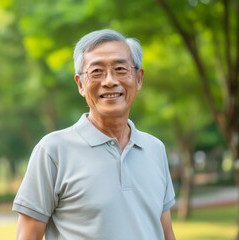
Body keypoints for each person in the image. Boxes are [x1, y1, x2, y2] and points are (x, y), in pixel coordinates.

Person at [12, 29, 176, 240]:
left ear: (138, 78)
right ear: (80, 84)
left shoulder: (155, 149)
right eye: (97, 71)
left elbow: (165, 232)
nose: (109, 81)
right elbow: (28, 236)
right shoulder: (53, 151)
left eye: (120, 69)